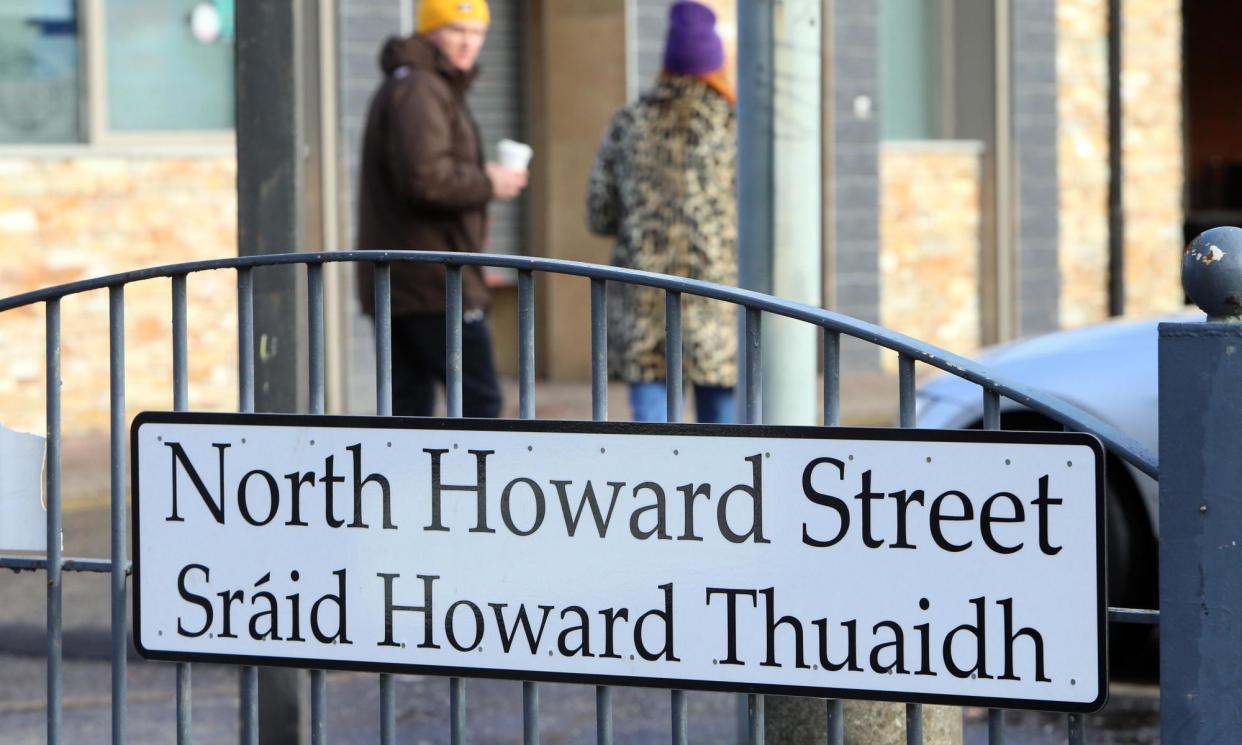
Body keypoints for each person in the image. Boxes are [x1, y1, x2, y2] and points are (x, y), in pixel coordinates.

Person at [355, 0, 527, 418]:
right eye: (456, 30)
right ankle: (471, 485)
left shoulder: (421, 83)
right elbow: (426, 180)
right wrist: (490, 183)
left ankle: (410, 485)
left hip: (409, 278)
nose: (469, 43)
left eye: (477, 32)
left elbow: (426, 169)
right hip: (433, 281)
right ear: (430, 31)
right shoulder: (421, 88)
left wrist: (478, 178)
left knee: (410, 405)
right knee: (479, 402)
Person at [586, 1, 738, 423]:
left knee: (653, 444)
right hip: (718, 302)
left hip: (644, 302)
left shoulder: (629, 122)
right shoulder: (731, 124)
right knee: (726, 440)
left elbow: (599, 213)